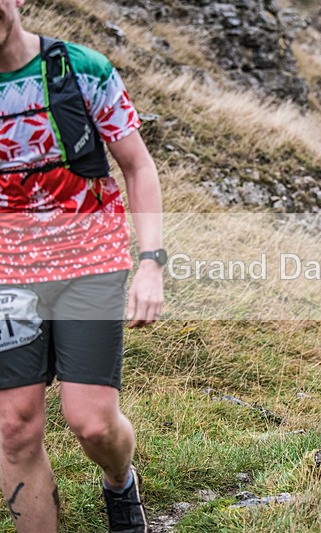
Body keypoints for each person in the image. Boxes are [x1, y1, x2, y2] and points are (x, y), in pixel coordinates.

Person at [0, 1, 164, 531]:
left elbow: (136, 165)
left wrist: (151, 263)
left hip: (90, 262)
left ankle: (120, 481)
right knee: (15, 429)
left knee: (91, 424)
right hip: (9, 277)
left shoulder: (81, 70)